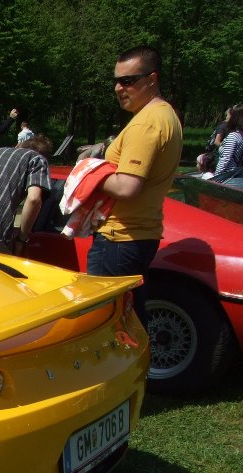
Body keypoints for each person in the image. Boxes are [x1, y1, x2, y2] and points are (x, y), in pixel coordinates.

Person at [87, 45, 183, 323]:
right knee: (130, 319)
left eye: (128, 81)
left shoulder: (146, 124)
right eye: (116, 80)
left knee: (106, 324)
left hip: (119, 238)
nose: (119, 88)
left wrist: (87, 173)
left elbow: (127, 187)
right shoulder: (164, 115)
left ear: (152, 79)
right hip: (138, 235)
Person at [214, 106, 243, 174]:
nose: (226, 117)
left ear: (233, 118)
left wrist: (217, 175)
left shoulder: (233, 136)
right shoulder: (240, 135)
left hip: (226, 174)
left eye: (228, 115)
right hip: (232, 172)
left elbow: (226, 158)